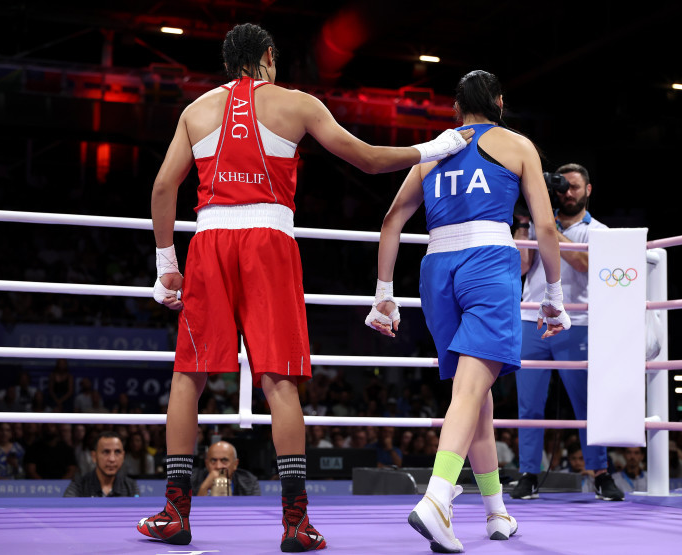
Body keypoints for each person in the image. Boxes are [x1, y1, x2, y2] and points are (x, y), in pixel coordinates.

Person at [137, 22, 472, 551]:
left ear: (229, 63)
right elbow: (366, 157)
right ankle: (296, 523)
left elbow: (162, 187)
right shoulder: (296, 103)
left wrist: (165, 265)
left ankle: (174, 514)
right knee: (279, 379)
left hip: (208, 241)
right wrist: (432, 147)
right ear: (269, 57)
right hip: (269, 241)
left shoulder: (194, 111)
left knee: (189, 375)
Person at [365, 69, 570, 552]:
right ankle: (436, 500)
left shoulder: (435, 149)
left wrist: (383, 294)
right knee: (471, 389)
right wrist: (555, 297)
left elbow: (392, 219)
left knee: (475, 395)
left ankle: (497, 512)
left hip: (436, 271)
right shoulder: (517, 145)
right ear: (498, 101)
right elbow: (544, 226)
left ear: (457, 109)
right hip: (487, 265)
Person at [510, 162, 624, 502]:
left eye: (575, 187)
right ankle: (529, 473)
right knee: (528, 406)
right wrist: (525, 223)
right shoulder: (533, 228)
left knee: (585, 405)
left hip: (577, 323)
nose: (568, 193)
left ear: (588, 190)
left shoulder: (598, 231)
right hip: (532, 320)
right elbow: (520, 267)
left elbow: (585, 266)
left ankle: (600, 474)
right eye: (562, 188)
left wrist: (548, 229)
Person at [64, 431, 139, 497]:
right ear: (94, 456)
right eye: (106, 452)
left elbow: (139, 512)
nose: (112, 459)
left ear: (123, 456)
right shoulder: (78, 486)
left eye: (117, 452)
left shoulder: (130, 486)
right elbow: (66, 511)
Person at [191, 441, 260, 496]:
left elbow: (254, 509)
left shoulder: (249, 481)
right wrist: (204, 487)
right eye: (213, 460)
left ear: (235, 464)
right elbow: (188, 511)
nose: (218, 466)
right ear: (206, 463)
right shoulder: (191, 479)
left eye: (224, 460)